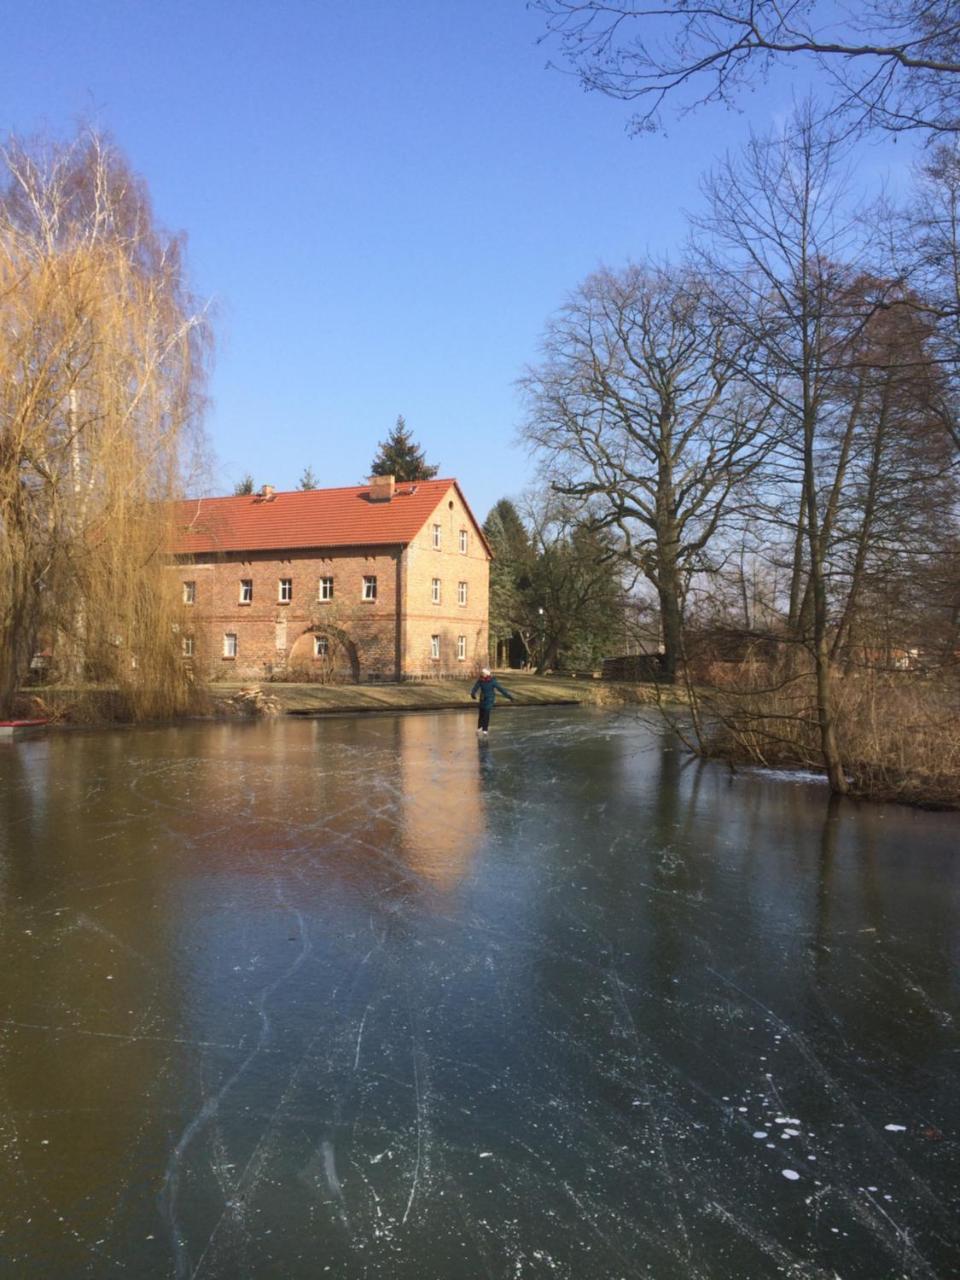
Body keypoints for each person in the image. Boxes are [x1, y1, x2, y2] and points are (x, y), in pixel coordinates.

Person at [470, 667, 514, 735]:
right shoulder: (480, 680)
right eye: (482, 673)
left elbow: (501, 689)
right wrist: (473, 694)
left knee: (486, 714)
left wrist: (509, 697)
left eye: (483, 673)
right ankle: (479, 727)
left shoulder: (492, 681)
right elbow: (475, 687)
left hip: (489, 699)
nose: (482, 674)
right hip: (482, 699)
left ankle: (485, 729)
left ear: (487, 674)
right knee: (481, 713)